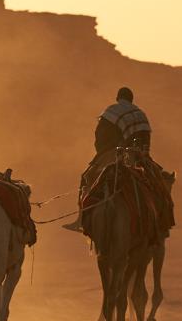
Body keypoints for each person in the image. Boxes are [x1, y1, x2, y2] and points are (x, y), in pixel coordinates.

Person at [64, 87, 173, 234]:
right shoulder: (140, 113)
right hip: (140, 154)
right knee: (157, 180)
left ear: (117, 98)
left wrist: (104, 151)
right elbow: (145, 138)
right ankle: (162, 222)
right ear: (131, 99)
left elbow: (100, 136)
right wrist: (142, 155)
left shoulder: (111, 111)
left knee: (87, 177)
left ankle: (81, 220)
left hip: (116, 152)